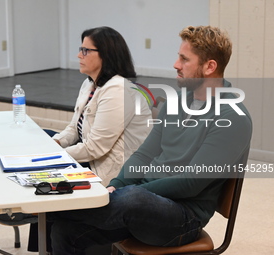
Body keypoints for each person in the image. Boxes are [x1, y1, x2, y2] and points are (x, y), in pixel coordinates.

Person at [42, 25, 253, 255]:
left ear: (210, 66)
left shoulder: (233, 117)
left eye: (184, 59)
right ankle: (50, 208)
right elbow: (144, 154)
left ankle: (44, 209)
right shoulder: (176, 103)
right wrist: (117, 185)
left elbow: (191, 181)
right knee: (65, 231)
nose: (176, 64)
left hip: (184, 217)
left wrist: (129, 191)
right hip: (143, 203)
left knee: (133, 198)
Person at [27, 26, 153, 253]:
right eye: (80, 49)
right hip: (93, 158)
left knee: (46, 165)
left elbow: (96, 148)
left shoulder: (119, 90)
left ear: (106, 54)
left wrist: (53, 155)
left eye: (85, 50)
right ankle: (44, 245)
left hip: (112, 170)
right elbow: (74, 127)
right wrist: (55, 143)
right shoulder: (90, 83)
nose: (78, 55)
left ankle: (48, 232)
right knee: (41, 138)